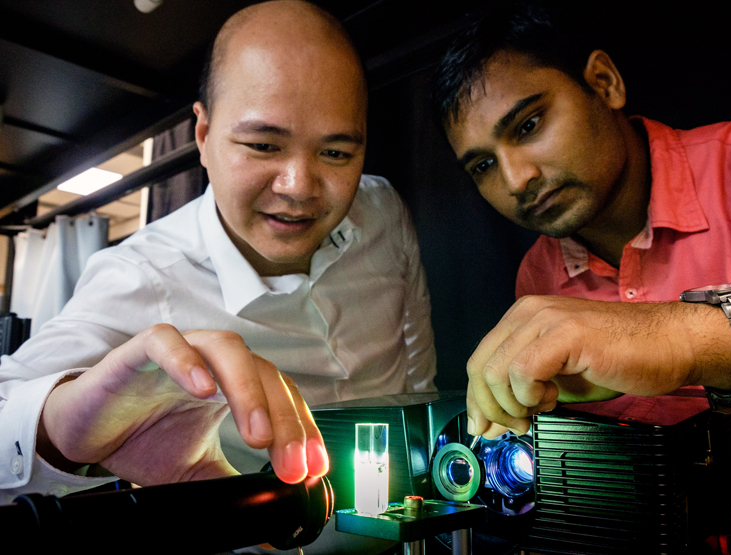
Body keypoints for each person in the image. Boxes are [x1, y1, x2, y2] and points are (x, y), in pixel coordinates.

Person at [0, 0, 436, 519]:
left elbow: (416, 376)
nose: (299, 189)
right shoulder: (139, 275)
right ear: (202, 136)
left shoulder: (382, 210)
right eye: (262, 145)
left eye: (336, 153)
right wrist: (58, 428)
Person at [433, 1, 731, 549]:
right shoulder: (538, 275)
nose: (517, 179)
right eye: (483, 166)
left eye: (529, 124)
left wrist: (682, 337)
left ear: (604, 83)